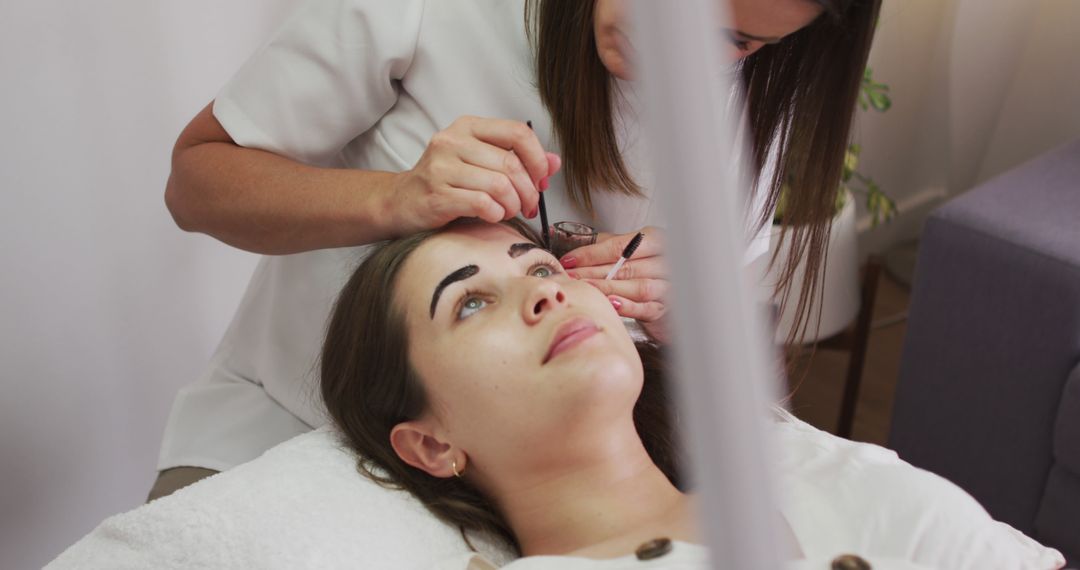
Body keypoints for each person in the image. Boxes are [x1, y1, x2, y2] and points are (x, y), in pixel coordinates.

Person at [154, 0, 881, 498]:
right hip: (294, 423)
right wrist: (394, 198)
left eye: (736, 41)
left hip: (539, 480)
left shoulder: (753, 120)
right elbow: (196, 184)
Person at [318, 218, 1064, 569]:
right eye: (470, 304)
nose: (546, 297)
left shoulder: (833, 480)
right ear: (430, 443)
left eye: (543, 269)